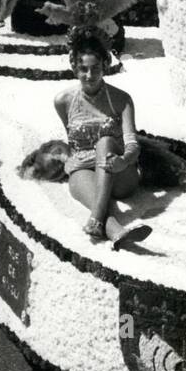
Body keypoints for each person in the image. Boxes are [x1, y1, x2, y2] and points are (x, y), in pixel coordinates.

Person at [54, 32, 147, 248]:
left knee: (105, 142)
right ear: (74, 67)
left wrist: (124, 160)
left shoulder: (121, 99)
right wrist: (67, 158)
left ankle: (95, 218)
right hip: (85, 170)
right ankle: (116, 231)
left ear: (104, 66)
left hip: (120, 173)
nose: (89, 74)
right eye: (83, 69)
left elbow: (133, 144)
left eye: (95, 68)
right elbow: (73, 142)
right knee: (79, 178)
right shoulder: (62, 101)